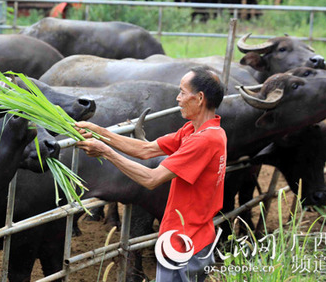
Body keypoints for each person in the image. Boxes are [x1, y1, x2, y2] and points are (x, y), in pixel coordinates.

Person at [75, 66, 227, 282]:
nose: (178, 98)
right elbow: (145, 150)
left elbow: (152, 178)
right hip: (191, 237)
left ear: (200, 98)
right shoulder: (198, 130)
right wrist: (100, 132)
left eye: (182, 92)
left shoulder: (203, 140)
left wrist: (106, 152)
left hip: (186, 243)